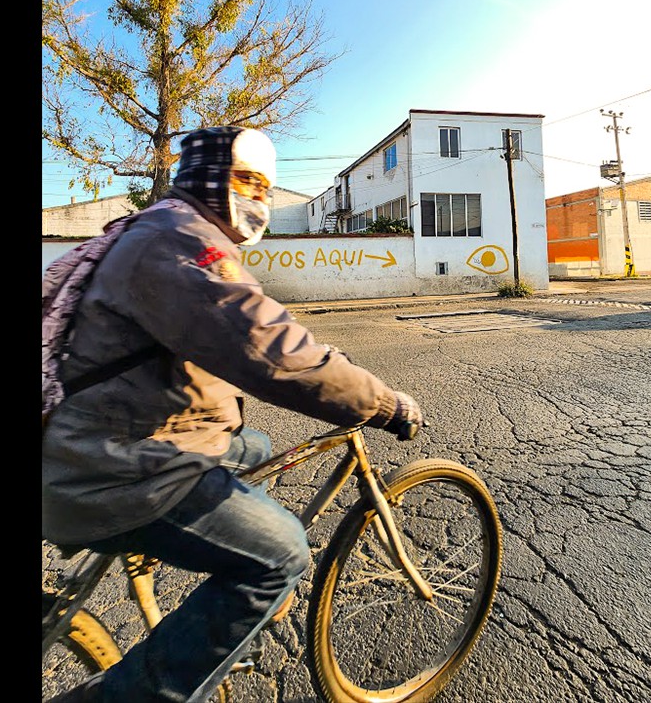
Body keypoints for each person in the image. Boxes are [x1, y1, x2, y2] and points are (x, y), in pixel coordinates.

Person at [43, 125, 424, 703]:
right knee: (280, 554)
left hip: (109, 432)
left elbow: (250, 328)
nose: (261, 200)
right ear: (211, 180)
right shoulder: (179, 240)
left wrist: (327, 361)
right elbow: (262, 347)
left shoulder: (166, 229)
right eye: (248, 182)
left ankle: (196, 548)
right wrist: (380, 401)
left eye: (267, 187)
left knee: (258, 447)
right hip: (109, 467)